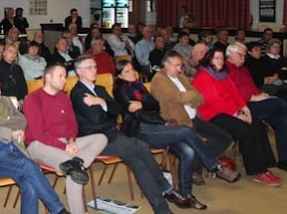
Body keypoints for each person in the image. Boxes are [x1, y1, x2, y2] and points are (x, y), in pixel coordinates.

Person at [70, 55, 190, 214]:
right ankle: (166, 189)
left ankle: (162, 209)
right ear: (79, 71)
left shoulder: (99, 90)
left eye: (95, 67)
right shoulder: (78, 93)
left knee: (139, 163)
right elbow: (97, 119)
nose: (94, 71)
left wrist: (101, 102)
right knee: (141, 146)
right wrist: (108, 111)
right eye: (89, 68)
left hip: (112, 135)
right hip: (95, 139)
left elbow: (117, 110)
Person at [114, 59, 239, 209]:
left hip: (156, 127)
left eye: (132, 69)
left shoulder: (138, 85)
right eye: (126, 71)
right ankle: (214, 166)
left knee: (189, 152)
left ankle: (187, 195)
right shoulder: (121, 90)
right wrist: (161, 121)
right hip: (140, 130)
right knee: (185, 131)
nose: (132, 73)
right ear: (120, 76)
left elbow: (155, 104)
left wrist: (143, 105)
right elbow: (139, 115)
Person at [0, 71, 69, 214]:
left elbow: (21, 120)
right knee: (28, 166)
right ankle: (58, 210)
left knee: (29, 183)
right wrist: (10, 132)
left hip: (15, 150)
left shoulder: (5, 101)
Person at [23, 64, 108, 214]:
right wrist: (65, 148)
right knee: (74, 171)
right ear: (48, 78)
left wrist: (71, 141)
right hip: (38, 145)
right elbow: (38, 134)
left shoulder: (63, 97)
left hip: (64, 143)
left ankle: (78, 162)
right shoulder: (33, 99)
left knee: (101, 138)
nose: (65, 80)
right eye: (60, 76)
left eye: (65, 77)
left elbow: (72, 124)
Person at [192, 48, 281, 186]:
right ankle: (257, 171)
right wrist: (238, 115)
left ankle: (265, 163)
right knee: (245, 131)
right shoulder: (203, 76)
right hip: (212, 114)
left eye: (222, 58)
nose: (220, 61)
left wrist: (245, 109)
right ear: (209, 60)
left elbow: (235, 93)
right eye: (216, 58)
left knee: (257, 124)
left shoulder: (223, 74)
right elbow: (216, 101)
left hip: (231, 110)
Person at [150, 51, 233, 184]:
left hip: (194, 118)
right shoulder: (159, 80)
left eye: (181, 65)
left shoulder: (181, 77)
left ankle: (196, 166)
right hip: (178, 123)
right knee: (193, 147)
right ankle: (201, 168)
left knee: (225, 138)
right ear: (166, 64)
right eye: (177, 66)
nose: (180, 69)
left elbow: (200, 97)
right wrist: (189, 96)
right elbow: (179, 97)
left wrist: (189, 97)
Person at [226, 42, 287, 175]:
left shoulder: (244, 69)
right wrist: (253, 97)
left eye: (244, 56)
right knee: (278, 103)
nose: (243, 58)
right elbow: (230, 92)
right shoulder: (225, 69)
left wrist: (260, 94)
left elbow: (252, 86)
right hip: (241, 108)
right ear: (230, 54)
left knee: (282, 119)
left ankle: (284, 160)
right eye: (240, 55)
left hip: (254, 102)